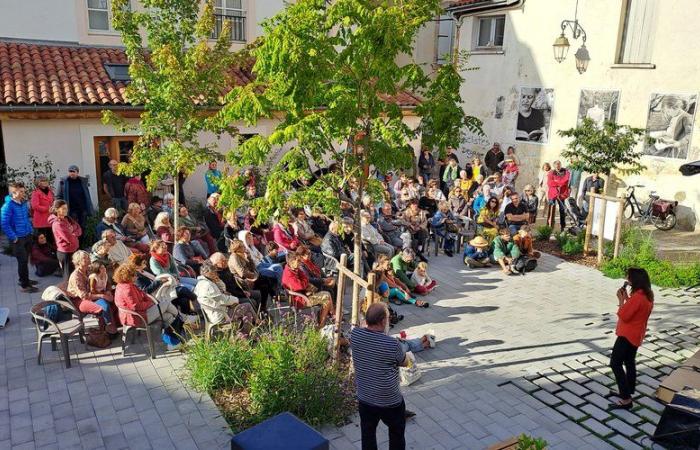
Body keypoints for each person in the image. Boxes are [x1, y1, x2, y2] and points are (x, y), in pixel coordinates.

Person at [351, 302, 410, 450]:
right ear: (383, 321)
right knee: (396, 432)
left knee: (368, 434)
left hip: (365, 397)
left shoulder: (355, 335)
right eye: (388, 318)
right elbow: (404, 362)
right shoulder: (392, 344)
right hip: (389, 400)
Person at [608, 268, 654, 410]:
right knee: (629, 362)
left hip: (627, 335)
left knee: (615, 363)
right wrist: (628, 298)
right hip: (637, 334)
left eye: (629, 278)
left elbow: (624, 315)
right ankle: (627, 390)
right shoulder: (646, 294)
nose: (627, 279)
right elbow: (636, 309)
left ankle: (626, 400)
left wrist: (621, 301)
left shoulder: (638, 297)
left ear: (635, 281)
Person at [113, 263, 181, 348]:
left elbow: (143, 294)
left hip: (140, 313)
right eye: (134, 275)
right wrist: (151, 303)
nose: (136, 277)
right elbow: (136, 306)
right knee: (166, 304)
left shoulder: (123, 285)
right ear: (127, 276)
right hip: (137, 317)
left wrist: (151, 301)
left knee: (169, 316)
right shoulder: (128, 289)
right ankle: (181, 317)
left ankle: (172, 343)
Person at [194, 261, 256, 336]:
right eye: (214, 272)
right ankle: (249, 329)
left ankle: (243, 335)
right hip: (220, 315)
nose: (216, 274)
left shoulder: (203, 282)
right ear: (207, 273)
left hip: (219, 310)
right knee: (247, 306)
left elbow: (222, 290)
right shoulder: (207, 285)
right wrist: (236, 300)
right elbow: (222, 300)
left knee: (248, 313)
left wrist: (218, 280)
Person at [67, 250, 117, 334]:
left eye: (88, 257)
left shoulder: (90, 269)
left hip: (93, 294)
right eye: (85, 258)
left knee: (116, 298)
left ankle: (114, 325)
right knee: (102, 307)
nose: (88, 259)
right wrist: (102, 296)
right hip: (79, 300)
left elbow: (105, 280)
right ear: (78, 262)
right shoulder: (76, 276)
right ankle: (107, 331)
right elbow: (84, 296)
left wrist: (108, 291)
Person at [1, 182, 38, 292]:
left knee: (25, 260)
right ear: (14, 192)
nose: (23, 193)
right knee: (22, 261)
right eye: (21, 191)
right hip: (18, 238)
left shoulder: (23, 203)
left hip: (27, 235)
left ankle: (24, 279)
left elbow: (26, 219)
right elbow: (4, 224)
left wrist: (30, 231)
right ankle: (25, 286)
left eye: (23, 191)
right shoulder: (7, 206)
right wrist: (14, 237)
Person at [281, 252, 333, 327]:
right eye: (298, 261)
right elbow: (301, 286)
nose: (300, 262)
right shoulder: (288, 275)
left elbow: (305, 277)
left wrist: (304, 281)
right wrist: (305, 282)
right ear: (292, 262)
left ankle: (331, 315)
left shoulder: (294, 269)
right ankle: (322, 324)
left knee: (327, 293)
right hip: (300, 300)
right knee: (326, 298)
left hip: (303, 295)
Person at [229, 239, 275, 313]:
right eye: (242, 246)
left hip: (250, 277)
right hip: (243, 281)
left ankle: (263, 306)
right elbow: (242, 273)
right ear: (238, 248)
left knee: (266, 280)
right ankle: (262, 308)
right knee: (264, 284)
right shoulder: (234, 257)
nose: (244, 247)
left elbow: (252, 267)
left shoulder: (242, 254)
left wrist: (249, 258)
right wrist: (254, 275)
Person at [49, 199, 82, 282]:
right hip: (66, 252)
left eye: (66, 208)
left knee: (75, 274)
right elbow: (69, 238)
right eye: (63, 208)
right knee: (69, 276)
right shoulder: (57, 223)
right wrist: (73, 233)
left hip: (73, 249)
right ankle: (69, 293)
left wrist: (73, 231)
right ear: (56, 210)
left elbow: (79, 228)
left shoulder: (67, 218)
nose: (66, 210)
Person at [56, 165, 94, 235]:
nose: (72, 173)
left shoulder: (82, 181)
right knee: (73, 228)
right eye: (70, 171)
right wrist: (60, 209)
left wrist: (89, 208)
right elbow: (58, 196)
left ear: (77, 172)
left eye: (74, 171)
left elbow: (87, 195)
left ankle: (81, 244)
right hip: (71, 210)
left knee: (83, 227)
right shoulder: (63, 182)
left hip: (82, 209)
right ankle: (76, 245)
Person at [546, 161, 571, 232]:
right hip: (552, 193)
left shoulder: (566, 172)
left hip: (561, 194)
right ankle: (549, 226)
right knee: (551, 210)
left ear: (561, 165)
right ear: (554, 166)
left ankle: (563, 226)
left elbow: (565, 181)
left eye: (559, 165)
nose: (558, 166)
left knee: (562, 210)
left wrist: (556, 181)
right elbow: (549, 183)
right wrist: (559, 182)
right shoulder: (551, 172)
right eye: (556, 165)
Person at [30, 175, 54, 242]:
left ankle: (51, 251)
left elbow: (52, 202)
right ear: (38, 183)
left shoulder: (50, 191)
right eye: (43, 181)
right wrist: (47, 208)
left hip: (49, 219)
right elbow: (34, 206)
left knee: (50, 238)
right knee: (41, 240)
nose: (45, 182)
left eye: (46, 180)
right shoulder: (36, 193)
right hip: (40, 220)